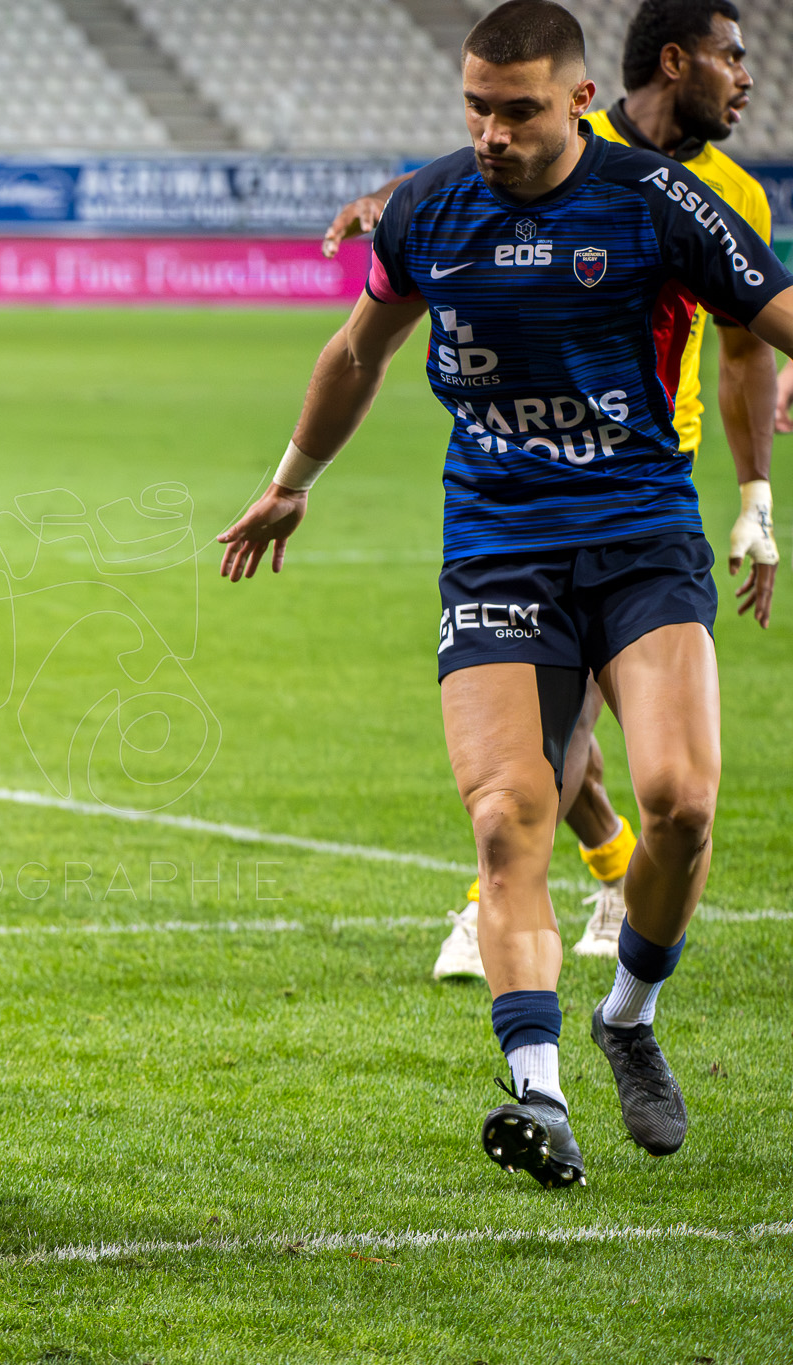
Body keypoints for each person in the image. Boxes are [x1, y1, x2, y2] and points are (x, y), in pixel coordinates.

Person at [219, 0, 792, 1187]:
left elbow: (768, 321)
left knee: (679, 803)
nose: (488, 131)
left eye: (516, 109)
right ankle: (535, 1092)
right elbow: (354, 353)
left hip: (638, 540)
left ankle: (625, 1017)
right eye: (474, 106)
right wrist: (287, 483)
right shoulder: (430, 208)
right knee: (502, 815)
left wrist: (753, 491)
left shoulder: (653, 204)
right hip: (496, 547)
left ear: (577, 100)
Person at [321, 0, 779, 981]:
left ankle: (604, 903)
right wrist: (389, 204)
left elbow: (747, 346)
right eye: (728, 56)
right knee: (536, 749)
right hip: (517, 499)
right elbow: (465, 181)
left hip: (644, 489)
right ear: (671, 60)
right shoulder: (552, 140)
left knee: (658, 777)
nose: (745, 75)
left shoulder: (726, 192)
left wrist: (753, 496)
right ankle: (530, 883)